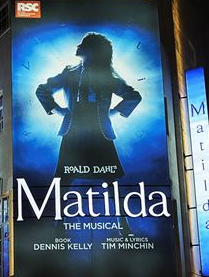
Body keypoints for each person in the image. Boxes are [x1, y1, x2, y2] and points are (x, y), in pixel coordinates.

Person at [35, 33, 142, 185]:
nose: (78, 46)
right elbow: (42, 90)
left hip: (99, 128)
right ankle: (56, 207)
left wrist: (113, 112)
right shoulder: (69, 74)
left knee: (109, 176)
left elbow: (134, 96)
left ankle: (119, 208)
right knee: (65, 177)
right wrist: (57, 109)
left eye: (84, 44)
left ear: (93, 50)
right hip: (73, 128)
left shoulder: (107, 78)